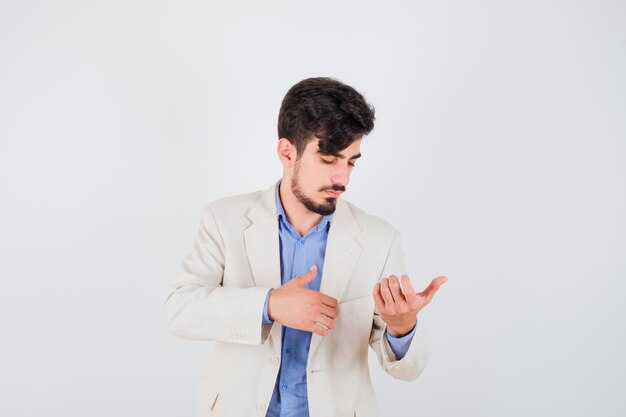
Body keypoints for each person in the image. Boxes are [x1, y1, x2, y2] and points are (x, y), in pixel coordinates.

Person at [162, 77, 447, 417]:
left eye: (351, 161)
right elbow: (179, 310)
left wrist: (402, 328)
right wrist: (269, 305)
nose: (342, 178)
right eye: (328, 159)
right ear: (287, 152)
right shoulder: (224, 219)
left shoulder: (379, 239)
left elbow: (408, 369)